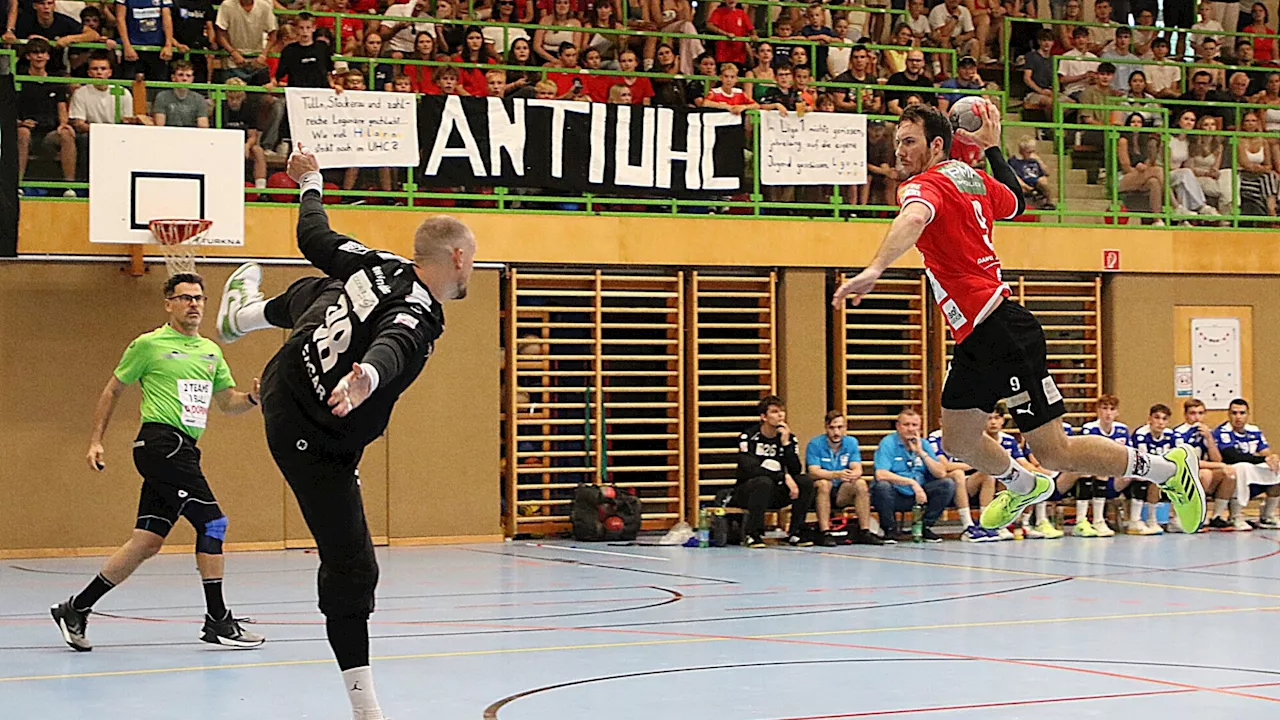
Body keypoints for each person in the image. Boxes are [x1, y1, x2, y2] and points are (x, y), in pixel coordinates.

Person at [831, 101, 1205, 535]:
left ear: (936, 144)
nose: (900, 151)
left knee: (1054, 450)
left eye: (909, 142)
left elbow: (913, 218)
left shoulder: (924, 187)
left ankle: (1167, 470)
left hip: (1002, 330)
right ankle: (1022, 483)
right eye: (898, 143)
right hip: (977, 335)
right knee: (958, 438)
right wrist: (992, 149)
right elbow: (1014, 203)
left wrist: (876, 268)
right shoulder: (969, 178)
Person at [213, 148, 476, 720]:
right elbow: (398, 341)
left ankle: (244, 317)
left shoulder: (377, 263)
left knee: (326, 287)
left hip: (287, 372)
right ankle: (366, 709)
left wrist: (310, 180)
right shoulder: (422, 310)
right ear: (457, 257)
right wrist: (368, 379)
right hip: (312, 435)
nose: (470, 273)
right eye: (471, 264)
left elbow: (314, 232)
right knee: (353, 567)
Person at [51, 272, 265, 653]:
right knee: (213, 522)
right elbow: (113, 389)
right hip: (160, 445)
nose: (194, 304)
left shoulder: (211, 352)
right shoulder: (148, 345)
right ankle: (217, 619)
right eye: (185, 298)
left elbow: (226, 401)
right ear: (169, 304)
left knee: (146, 542)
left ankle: (76, 607)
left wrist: (250, 398)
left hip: (184, 449)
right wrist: (96, 441)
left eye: (198, 298)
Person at [729, 395, 817, 548]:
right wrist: (783, 476)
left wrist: (786, 444)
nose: (780, 416)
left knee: (805, 481)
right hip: (748, 491)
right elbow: (750, 469)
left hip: (775, 490)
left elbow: (796, 469)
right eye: (775, 412)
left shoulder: (789, 438)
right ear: (763, 416)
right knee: (763, 481)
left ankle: (795, 532)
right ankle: (753, 534)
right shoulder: (749, 437)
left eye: (782, 412)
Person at [872, 408, 954, 542]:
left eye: (914, 425)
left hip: (919, 495)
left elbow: (941, 473)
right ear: (898, 426)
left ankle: (924, 527)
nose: (910, 429)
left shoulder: (924, 444)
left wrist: (921, 452)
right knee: (882, 486)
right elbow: (881, 473)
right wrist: (912, 483)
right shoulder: (888, 443)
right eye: (906, 425)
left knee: (947, 484)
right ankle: (889, 530)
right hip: (896, 493)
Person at [806, 411, 883, 546]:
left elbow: (857, 467)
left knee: (860, 483)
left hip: (841, 491)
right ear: (826, 427)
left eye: (840, 427)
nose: (836, 432)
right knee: (824, 484)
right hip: (820, 492)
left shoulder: (851, 442)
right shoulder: (815, 444)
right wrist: (835, 474)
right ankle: (825, 532)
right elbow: (813, 471)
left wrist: (854, 474)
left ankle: (864, 530)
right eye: (832, 428)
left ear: (845, 428)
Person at [15, 37, 77, 195]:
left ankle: (69, 187)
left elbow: (62, 107)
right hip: (27, 130)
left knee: (67, 134)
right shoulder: (20, 80)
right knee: (22, 133)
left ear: (48, 56)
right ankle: (18, 185)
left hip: (49, 133)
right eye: (35, 53)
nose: (39, 56)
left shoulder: (55, 81)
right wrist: (21, 122)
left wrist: (63, 124)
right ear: (28, 56)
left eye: (43, 52)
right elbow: (10, 110)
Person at [1215, 398, 1280, 529]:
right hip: (1230, 471)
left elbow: (1265, 451)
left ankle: (1267, 515)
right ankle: (1235, 515)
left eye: (1242, 413)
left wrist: (1272, 458)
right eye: (1234, 413)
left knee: (1277, 468)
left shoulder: (1254, 430)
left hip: (1252, 468)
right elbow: (1232, 456)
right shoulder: (1222, 431)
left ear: (1247, 415)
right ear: (1229, 414)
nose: (1238, 417)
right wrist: (1263, 460)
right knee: (1241, 467)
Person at [1128, 404, 1176, 534]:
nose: (1160, 422)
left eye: (1164, 419)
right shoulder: (1141, 434)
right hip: (1137, 472)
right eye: (1157, 418)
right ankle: (1135, 520)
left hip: (1159, 470)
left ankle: (1168, 519)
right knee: (1143, 476)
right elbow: (1143, 460)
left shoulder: (1170, 435)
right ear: (1149, 419)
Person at [116, 0, 174, 81]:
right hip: (133, 48)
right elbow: (120, 19)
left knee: (158, 84)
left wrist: (168, 45)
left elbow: (167, 18)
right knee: (130, 83)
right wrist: (127, 46)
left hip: (157, 48)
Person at [274, 12, 333, 88]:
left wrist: (333, 84)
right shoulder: (289, 50)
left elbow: (329, 70)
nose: (305, 31)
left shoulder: (323, 47)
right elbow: (279, 74)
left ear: (314, 28)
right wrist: (273, 82)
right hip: (297, 93)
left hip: (320, 92)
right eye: (301, 28)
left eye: (308, 27)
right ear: (296, 29)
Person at [153, 59, 210, 127]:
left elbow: (203, 126)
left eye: (188, 75)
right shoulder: (162, 96)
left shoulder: (199, 99)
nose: (184, 78)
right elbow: (160, 125)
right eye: (180, 75)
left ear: (192, 79)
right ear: (173, 77)